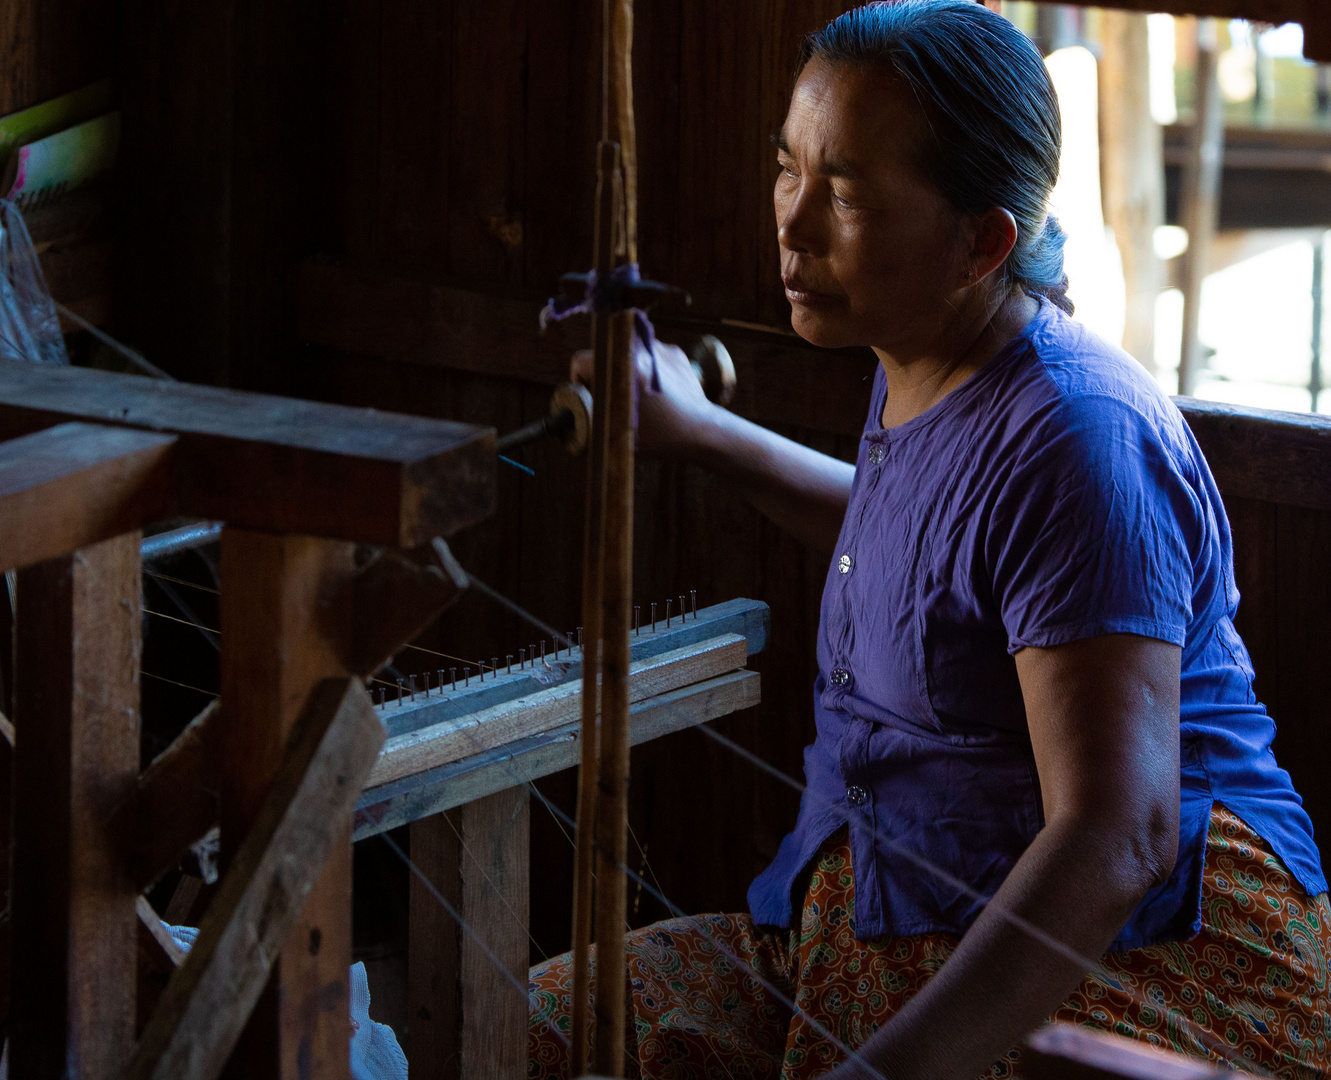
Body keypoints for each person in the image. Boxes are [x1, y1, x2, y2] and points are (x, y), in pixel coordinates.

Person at [528, 3, 1331, 1078]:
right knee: (532, 1023)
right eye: (787, 169)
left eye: (846, 192)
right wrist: (703, 434)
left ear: (980, 241)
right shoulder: (922, 353)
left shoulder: (1077, 440)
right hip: (883, 922)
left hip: (1134, 959)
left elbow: (1116, 838)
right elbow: (924, 551)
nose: (792, 222)